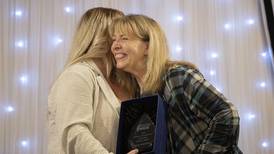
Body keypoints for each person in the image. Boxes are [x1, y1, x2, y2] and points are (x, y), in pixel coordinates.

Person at [110, 14, 242, 153]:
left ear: (148, 47)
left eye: (124, 38)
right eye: (114, 40)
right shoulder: (138, 94)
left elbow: (226, 114)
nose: (115, 46)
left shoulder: (177, 77)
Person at [47, 7, 138, 154]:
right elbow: (75, 133)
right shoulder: (77, 75)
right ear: (102, 38)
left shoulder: (124, 80)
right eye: (118, 35)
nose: (124, 42)